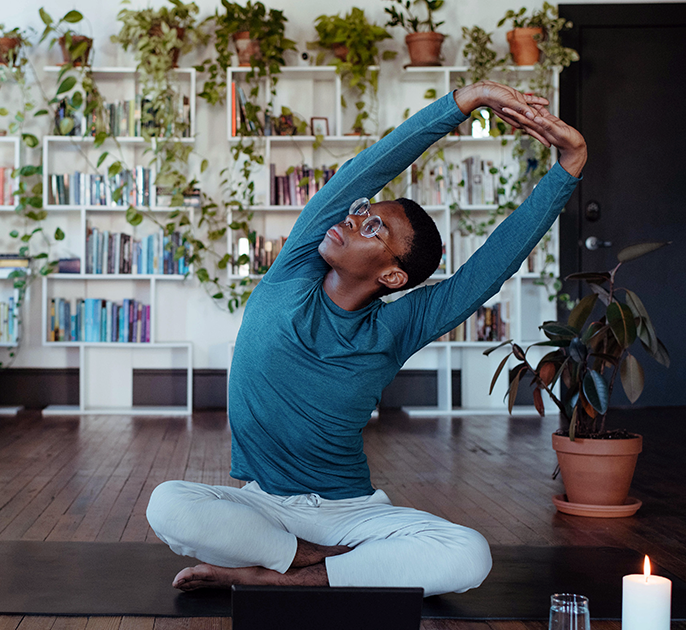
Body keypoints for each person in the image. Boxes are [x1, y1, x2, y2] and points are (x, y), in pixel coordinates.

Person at [146, 81, 586, 596]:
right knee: (168, 504)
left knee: (469, 555)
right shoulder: (292, 272)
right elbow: (370, 167)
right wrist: (467, 100)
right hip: (261, 503)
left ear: (394, 277)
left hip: (347, 514)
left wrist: (569, 165)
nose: (354, 219)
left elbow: (486, 271)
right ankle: (315, 564)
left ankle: (281, 577)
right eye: (363, 211)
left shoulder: (396, 327)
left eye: (373, 228)